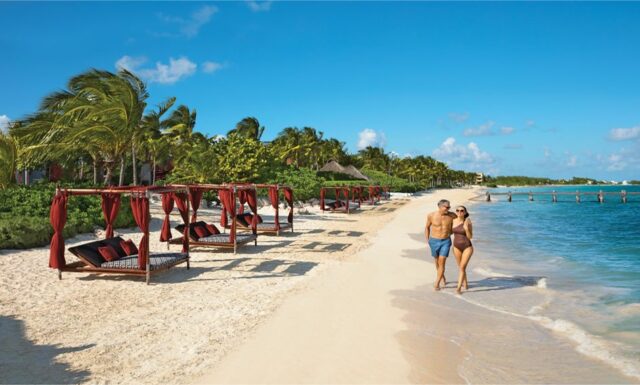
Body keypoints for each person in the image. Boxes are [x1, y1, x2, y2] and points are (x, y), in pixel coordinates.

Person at [425, 199, 456, 290]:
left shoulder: (452, 216)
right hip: (434, 241)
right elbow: (427, 227)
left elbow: (460, 223)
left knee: (442, 262)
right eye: (446, 207)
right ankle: (442, 276)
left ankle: (436, 283)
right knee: (437, 261)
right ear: (440, 206)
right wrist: (428, 240)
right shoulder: (431, 215)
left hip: (446, 241)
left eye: (449, 207)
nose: (448, 208)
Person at [452, 205, 473, 294]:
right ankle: (466, 284)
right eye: (458, 210)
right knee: (461, 267)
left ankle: (458, 288)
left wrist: (466, 229)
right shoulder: (453, 221)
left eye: (462, 210)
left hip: (467, 247)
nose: (459, 212)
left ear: (465, 212)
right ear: (456, 212)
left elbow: (470, 237)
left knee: (462, 267)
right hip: (456, 247)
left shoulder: (468, 222)